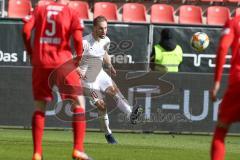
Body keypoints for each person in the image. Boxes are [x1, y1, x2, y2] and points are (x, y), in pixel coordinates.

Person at [22, 0, 91, 160]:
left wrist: (31, 52)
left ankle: (37, 153)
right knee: (79, 103)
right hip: (63, 62)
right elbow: (78, 39)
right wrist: (79, 60)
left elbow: (26, 30)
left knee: (40, 106)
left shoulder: (39, 9)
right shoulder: (72, 12)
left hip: (41, 62)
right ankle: (78, 149)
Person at [79, 16, 143, 144]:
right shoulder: (84, 42)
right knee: (101, 105)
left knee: (114, 90)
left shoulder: (106, 40)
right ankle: (108, 134)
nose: (104, 31)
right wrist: (78, 70)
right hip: (88, 79)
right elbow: (73, 59)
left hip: (99, 72)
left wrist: (110, 65)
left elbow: (104, 53)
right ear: (94, 28)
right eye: (101, 29)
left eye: (106, 28)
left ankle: (130, 114)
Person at [210, 16, 240, 160]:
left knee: (221, 130)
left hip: (238, 83)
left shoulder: (234, 21)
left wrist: (217, 82)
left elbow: (223, 48)